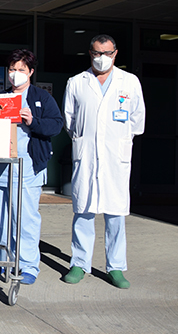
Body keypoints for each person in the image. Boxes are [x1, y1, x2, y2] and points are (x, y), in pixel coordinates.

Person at [62, 34, 145, 289]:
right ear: (90, 53)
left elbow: (137, 120)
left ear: (115, 54)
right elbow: (70, 121)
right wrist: (88, 139)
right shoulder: (77, 82)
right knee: (83, 211)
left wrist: (117, 138)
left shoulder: (129, 81)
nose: (102, 58)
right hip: (86, 155)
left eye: (107, 53)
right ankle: (79, 263)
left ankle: (116, 267)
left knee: (115, 213)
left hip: (115, 157)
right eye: (97, 53)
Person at [0, 50, 63, 285]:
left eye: (21, 69)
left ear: (30, 72)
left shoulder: (41, 97)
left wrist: (33, 121)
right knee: (4, 217)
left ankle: (28, 264)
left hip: (28, 166)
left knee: (26, 218)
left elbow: (56, 125)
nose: (15, 74)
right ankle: (3, 258)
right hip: (1, 166)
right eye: (12, 69)